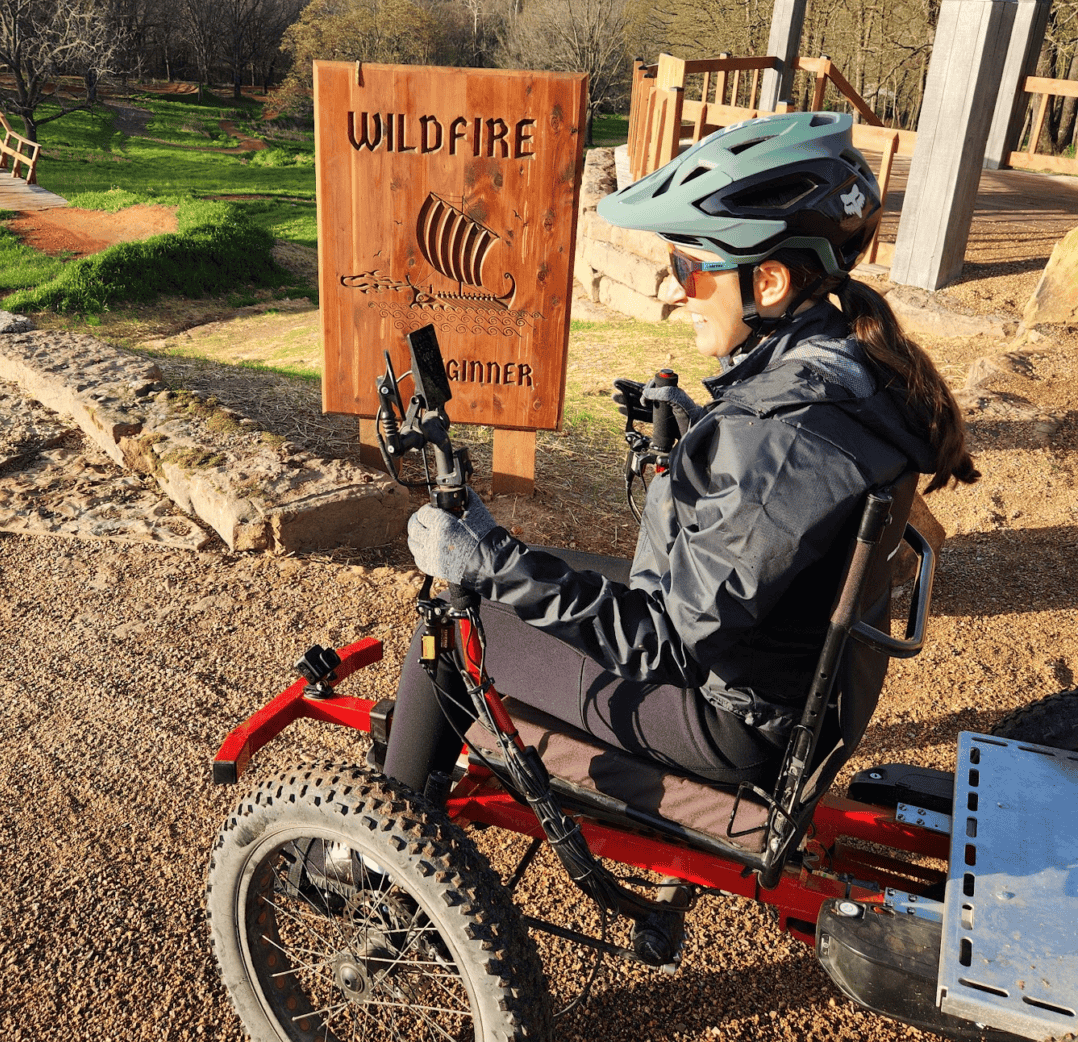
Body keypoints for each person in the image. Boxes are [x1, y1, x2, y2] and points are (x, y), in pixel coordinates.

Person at [387, 111, 978, 796]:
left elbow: (666, 642)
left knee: (454, 619)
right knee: (505, 585)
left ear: (773, 283)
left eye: (690, 268)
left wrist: (490, 563)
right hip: (770, 673)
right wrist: (700, 443)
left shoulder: (778, 436)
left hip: (733, 718)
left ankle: (383, 841)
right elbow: (761, 517)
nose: (673, 291)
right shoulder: (844, 360)